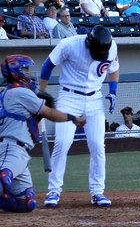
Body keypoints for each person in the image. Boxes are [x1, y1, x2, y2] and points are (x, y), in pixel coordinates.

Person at [39, 25, 119, 208]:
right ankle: (53, 191)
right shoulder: (70, 44)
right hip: (69, 97)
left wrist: (113, 91)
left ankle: (97, 192)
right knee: (62, 142)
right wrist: (41, 93)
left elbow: (113, 69)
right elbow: (48, 64)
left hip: (94, 99)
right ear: (89, 43)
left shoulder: (111, 46)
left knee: (98, 145)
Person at [0, 54, 85, 213]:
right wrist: (73, 118)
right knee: (3, 178)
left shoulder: (8, 93)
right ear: (15, 71)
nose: (29, 73)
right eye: (25, 69)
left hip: (20, 151)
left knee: (27, 201)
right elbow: (50, 114)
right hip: (12, 148)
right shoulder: (19, 93)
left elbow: (26, 119)